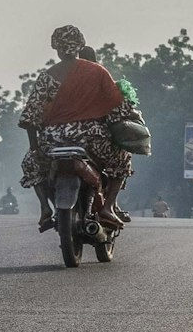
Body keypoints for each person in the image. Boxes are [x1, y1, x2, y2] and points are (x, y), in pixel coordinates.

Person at [18, 26, 132, 231]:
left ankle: (45, 207)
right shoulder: (97, 71)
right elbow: (117, 108)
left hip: (51, 140)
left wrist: (35, 148)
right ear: (80, 46)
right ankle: (108, 208)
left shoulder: (47, 77)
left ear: (57, 49)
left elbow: (30, 117)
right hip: (92, 139)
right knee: (122, 157)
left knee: (30, 162)